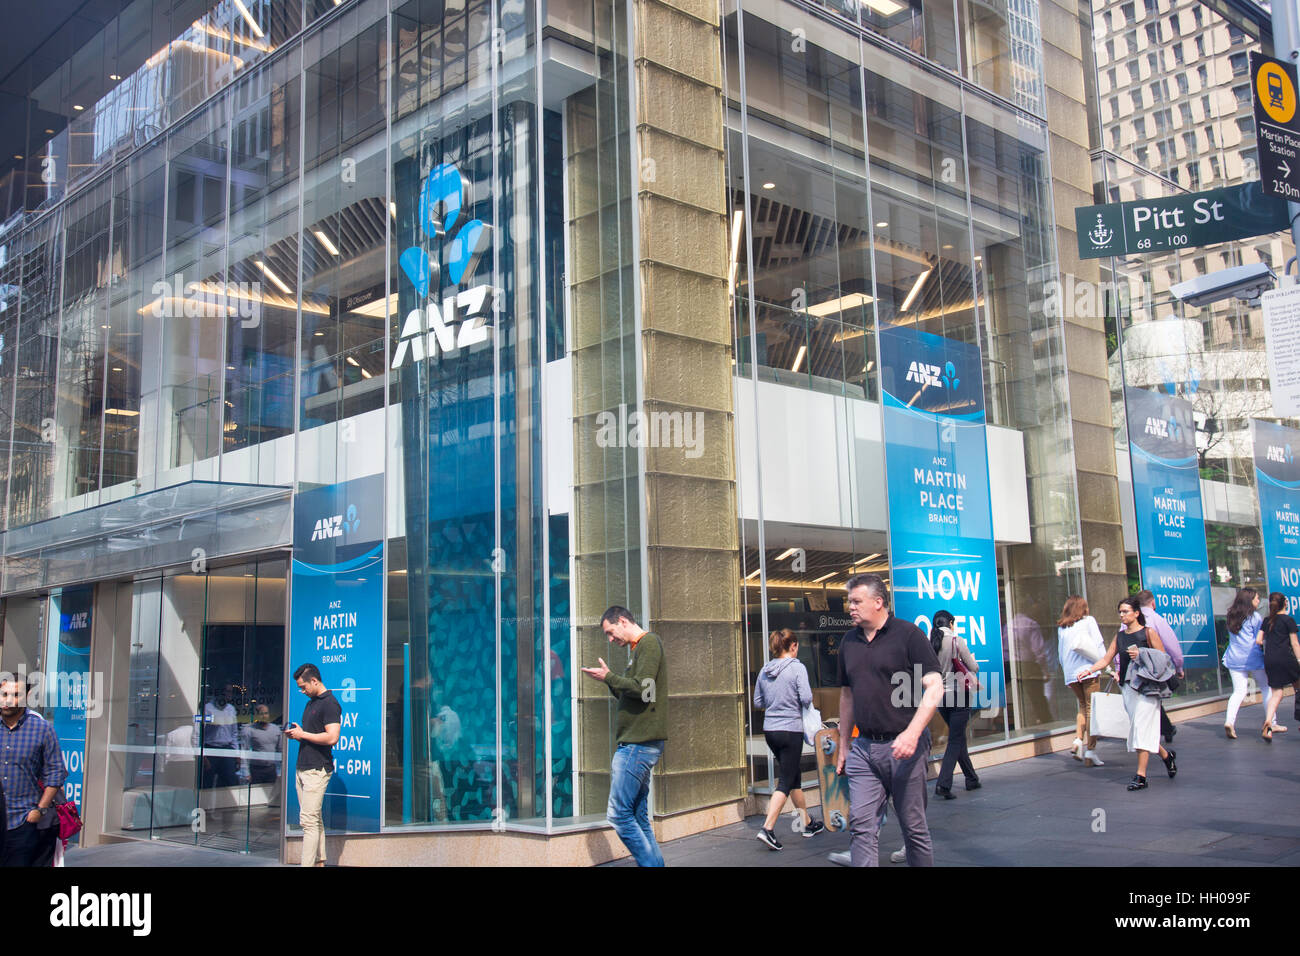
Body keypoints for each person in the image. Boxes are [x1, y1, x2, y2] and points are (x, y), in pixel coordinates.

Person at [833, 573, 943, 866]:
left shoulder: (908, 635)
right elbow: (847, 696)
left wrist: (912, 733)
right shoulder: (848, 642)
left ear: (878, 602)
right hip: (864, 750)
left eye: (857, 601)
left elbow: (935, 687)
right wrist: (844, 745)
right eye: (849, 601)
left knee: (913, 828)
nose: (850, 607)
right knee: (862, 827)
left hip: (905, 748)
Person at [580, 606, 668, 867]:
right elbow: (633, 693)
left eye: (610, 632)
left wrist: (610, 677)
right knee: (638, 816)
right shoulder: (638, 648)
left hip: (638, 746)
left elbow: (643, 688)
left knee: (619, 815)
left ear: (621, 621)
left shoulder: (649, 643)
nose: (610, 639)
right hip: (638, 744)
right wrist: (609, 680)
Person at [1075, 597, 1176, 790]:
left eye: (1126, 611)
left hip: (1148, 688)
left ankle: (1141, 776)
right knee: (1141, 729)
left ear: (1136, 613)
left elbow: (1164, 659)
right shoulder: (1119, 637)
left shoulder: (1148, 632)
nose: (1122, 615)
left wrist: (1142, 655)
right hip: (1128, 688)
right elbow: (1106, 659)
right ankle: (1166, 755)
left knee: (1140, 728)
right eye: (1120, 612)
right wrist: (1089, 670)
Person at [752, 628, 824, 849]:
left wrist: (775, 700)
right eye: (797, 646)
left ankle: (807, 822)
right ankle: (768, 828)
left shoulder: (765, 670)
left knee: (794, 777)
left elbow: (757, 702)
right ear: (792, 646)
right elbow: (806, 697)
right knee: (785, 781)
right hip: (790, 730)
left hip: (771, 731)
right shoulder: (797, 668)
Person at [0, 678, 67, 867]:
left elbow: (56, 772)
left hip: (22, 821)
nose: (8, 700)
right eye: (4, 694)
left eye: (15, 695)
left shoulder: (41, 728)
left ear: (26, 697)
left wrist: (40, 810)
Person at [286, 664, 341, 866]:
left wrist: (303, 735)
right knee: (314, 819)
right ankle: (319, 861)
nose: (302, 691)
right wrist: (299, 734)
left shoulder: (330, 704)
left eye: (303, 686)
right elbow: (313, 735)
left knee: (308, 821)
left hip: (317, 769)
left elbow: (332, 737)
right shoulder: (311, 703)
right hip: (303, 767)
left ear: (314, 681)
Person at [930, 610, 981, 798]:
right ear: (950, 623)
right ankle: (943, 784)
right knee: (955, 739)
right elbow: (974, 667)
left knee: (958, 737)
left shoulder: (931, 643)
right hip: (959, 695)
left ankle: (971, 778)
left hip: (940, 697)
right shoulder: (956, 641)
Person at [1056, 595, 1106, 766]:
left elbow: (1061, 654)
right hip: (1088, 671)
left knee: (1083, 706)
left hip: (1071, 674)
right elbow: (1099, 644)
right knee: (1093, 710)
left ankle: (1078, 740)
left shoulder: (1062, 627)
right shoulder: (1088, 621)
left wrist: (1067, 673)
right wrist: (1105, 665)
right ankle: (1091, 751)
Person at [1135, 590, 1184, 743]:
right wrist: (1178, 666)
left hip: (1135, 668)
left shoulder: (1130, 621)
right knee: (1154, 697)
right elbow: (1172, 645)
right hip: (1154, 667)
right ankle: (1165, 729)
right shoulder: (1157, 619)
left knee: (1147, 698)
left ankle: (1163, 729)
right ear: (1153, 603)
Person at [1222, 588, 1269, 739]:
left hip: (1234, 657)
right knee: (1266, 688)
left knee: (1238, 692)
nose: (1258, 601)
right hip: (1252, 657)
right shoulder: (1255, 617)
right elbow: (1258, 639)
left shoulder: (1231, 616)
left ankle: (1229, 721)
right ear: (1249, 601)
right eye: (1256, 599)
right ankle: (1271, 721)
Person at [1260, 592, 1300, 741]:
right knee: (1298, 687)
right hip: (1287, 659)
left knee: (1276, 693)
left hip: (1270, 660)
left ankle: (1269, 722)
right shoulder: (1288, 620)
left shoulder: (1267, 621)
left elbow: (1259, 640)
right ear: (1285, 604)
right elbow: (1295, 643)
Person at [193, 682, 240, 788]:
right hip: (210, 750)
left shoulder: (231, 709)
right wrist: (202, 756)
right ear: (220, 692)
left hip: (227, 750)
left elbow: (234, 734)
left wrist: (237, 754)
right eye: (227, 691)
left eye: (231, 692)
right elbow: (197, 733)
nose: (228, 694)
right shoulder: (207, 708)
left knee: (229, 783)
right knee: (206, 783)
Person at [241, 703, 281, 785]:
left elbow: (280, 751)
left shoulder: (276, 729)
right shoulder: (249, 730)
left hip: (271, 769)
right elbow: (245, 751)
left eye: (266, 713)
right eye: (261, 714)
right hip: (256, 770)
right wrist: (246, 772)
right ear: (256, 716)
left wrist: (280, 771)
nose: (264, 716)